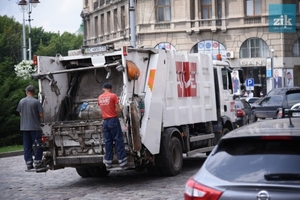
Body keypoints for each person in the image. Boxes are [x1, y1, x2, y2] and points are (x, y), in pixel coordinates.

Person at [97, 83, 127, 168]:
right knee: (118, 140)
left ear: (103, 89)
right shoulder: (113, 96)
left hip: (105, 121)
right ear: (111, 88)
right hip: (113, 120)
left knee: (108, 142)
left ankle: (108, 162)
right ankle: (122, 162)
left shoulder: (100, 97)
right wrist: (122, 107)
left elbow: (101, 108)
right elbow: (118, 109)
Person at [16, 85, 44, 170]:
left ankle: (28, 163)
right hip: (35, 127)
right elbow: (41, 115)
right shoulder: (36, 102)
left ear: (26, 91)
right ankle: (38, 162)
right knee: (37, 145)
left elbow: (20, 113)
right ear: (34, 92)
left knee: (27, 146)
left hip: (24, 127)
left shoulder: (21, 101)